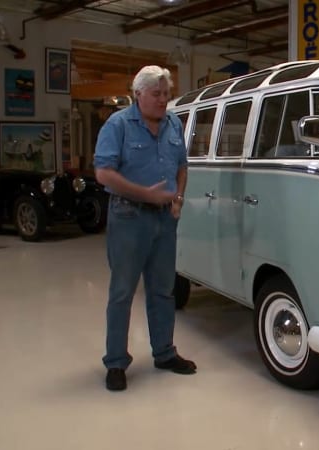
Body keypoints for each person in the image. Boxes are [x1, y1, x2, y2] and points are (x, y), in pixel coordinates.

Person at [94, 65, 194, 391]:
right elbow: (104, 174)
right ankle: (116, 363)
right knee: (122, 292)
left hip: (165, 219)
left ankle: (164, 353)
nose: (164, 100)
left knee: (163, 290)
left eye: (166, 94)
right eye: (157, 94)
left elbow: (182, 165)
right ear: (138, 94)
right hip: (128, 217)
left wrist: (177, 197)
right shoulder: (118, 125)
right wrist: (144, 195)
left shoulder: (174, 124)